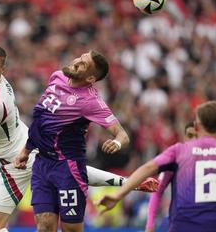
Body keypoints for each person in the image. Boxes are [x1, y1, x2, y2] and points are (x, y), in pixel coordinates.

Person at [0, 45, 157, 232]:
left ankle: (130, 182)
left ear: (2, 69)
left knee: (65, 212)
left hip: (21, 158)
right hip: (15, 158)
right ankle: (130, 182)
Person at [14, 50, 131, 232]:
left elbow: (122, 135)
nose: (76, 62)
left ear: (91, 78)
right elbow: (41, 120)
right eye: (80, 58)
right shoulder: (57, 76)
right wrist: (26, 151)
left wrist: (116, 143)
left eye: (84, 64)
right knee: (44, 225)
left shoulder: (90, 101)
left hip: (67, 168)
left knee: (71, 228)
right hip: (42, 163)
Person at [98, 100, 216, 232]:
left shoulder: (178, 151)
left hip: (183, 226)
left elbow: (146, 169)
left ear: (196, 127)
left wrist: (118, 195)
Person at [145, 122, 197, 232]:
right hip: (179, 225)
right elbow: (157, 191)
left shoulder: (212, 160)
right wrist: (150, 225)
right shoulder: (175, 158)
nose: (193, 140)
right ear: (184, 137)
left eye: (196, 136)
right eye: (190, 136)